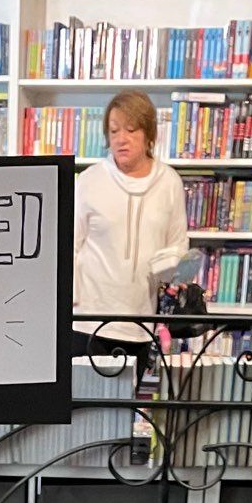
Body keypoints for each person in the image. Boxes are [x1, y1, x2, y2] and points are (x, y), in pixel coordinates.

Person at [72, 88, 189, 365]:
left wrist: (173, 268)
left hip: (141, 322)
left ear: (148, 134)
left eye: (131, 130)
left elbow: (178, 245)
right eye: (114, 132)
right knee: (85, 406)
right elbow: (69, 247)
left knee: (128, 406)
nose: (121, 140)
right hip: (87, 323)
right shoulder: (89, 181)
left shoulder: (169, 182)